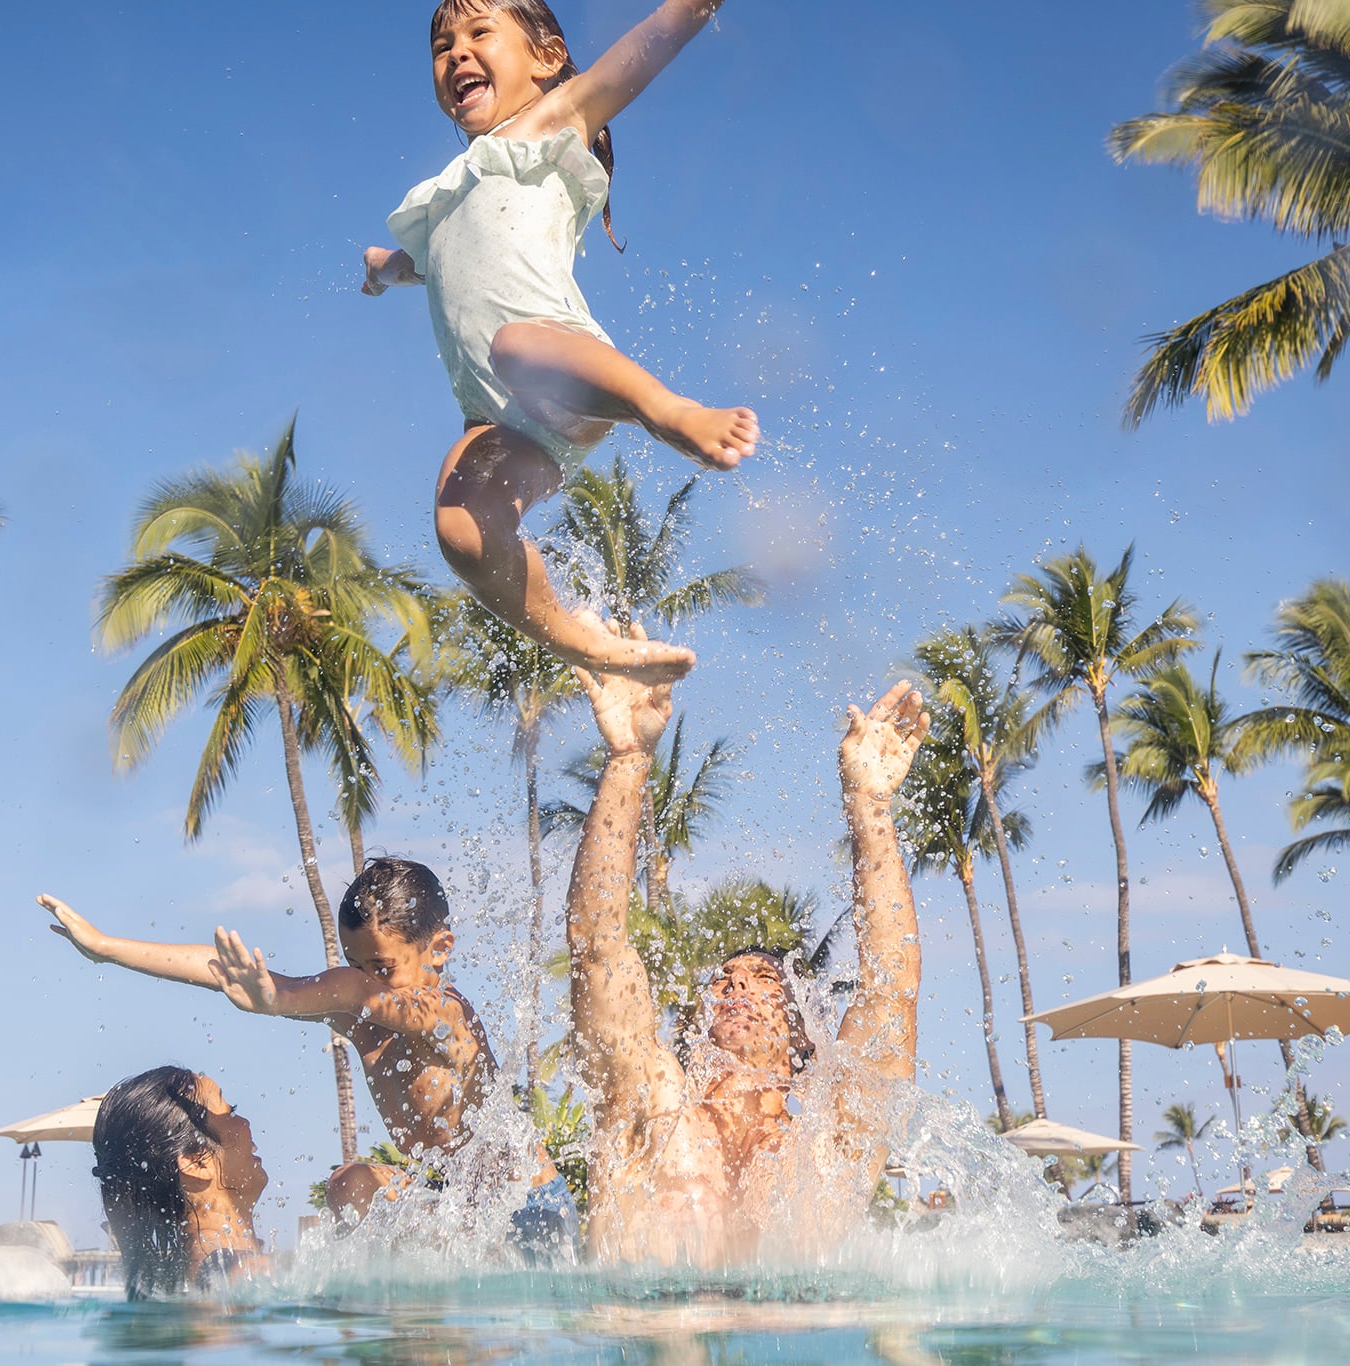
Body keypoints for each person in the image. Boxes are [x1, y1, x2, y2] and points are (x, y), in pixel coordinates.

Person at [363, 0, 758, 687]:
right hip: (502, 424)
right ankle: (583, 643)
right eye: (442, 44)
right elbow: (432, 263)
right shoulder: (444, 199)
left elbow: (639, 53)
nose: (457, 52)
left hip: (561, 368)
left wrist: (691, 10)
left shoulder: (552, 123)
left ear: (545, 57)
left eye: (480, 33)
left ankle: (668, 410)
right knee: (461, 527)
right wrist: (386, 269)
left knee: (515, 344)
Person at [563, 654, 930, 1265]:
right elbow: (596, 943)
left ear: (801, 1033)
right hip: (652, 1349)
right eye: (723, 980)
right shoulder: (651, 1103)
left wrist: (870, 809)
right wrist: (628, 763)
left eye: (763, 982)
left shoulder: (828, 1142)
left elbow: (892, 987)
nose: (734, 987)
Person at [40, 860, 570, 1250]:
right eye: (354, 963)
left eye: (383, 966)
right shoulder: (362, 1012)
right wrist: (107, 947)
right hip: (463, 1204)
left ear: (439, 948)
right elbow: (222, 971)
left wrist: (280, 1001)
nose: (368, 978)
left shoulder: (447, 1014)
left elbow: (360, 995)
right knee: (350, 1185)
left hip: (528, 1208)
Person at [93, 1066, 269, 1298]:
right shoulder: (244, 1271)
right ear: (196, 1162)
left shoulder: (208, 1267)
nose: (245, 1122)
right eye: (230, 1113)